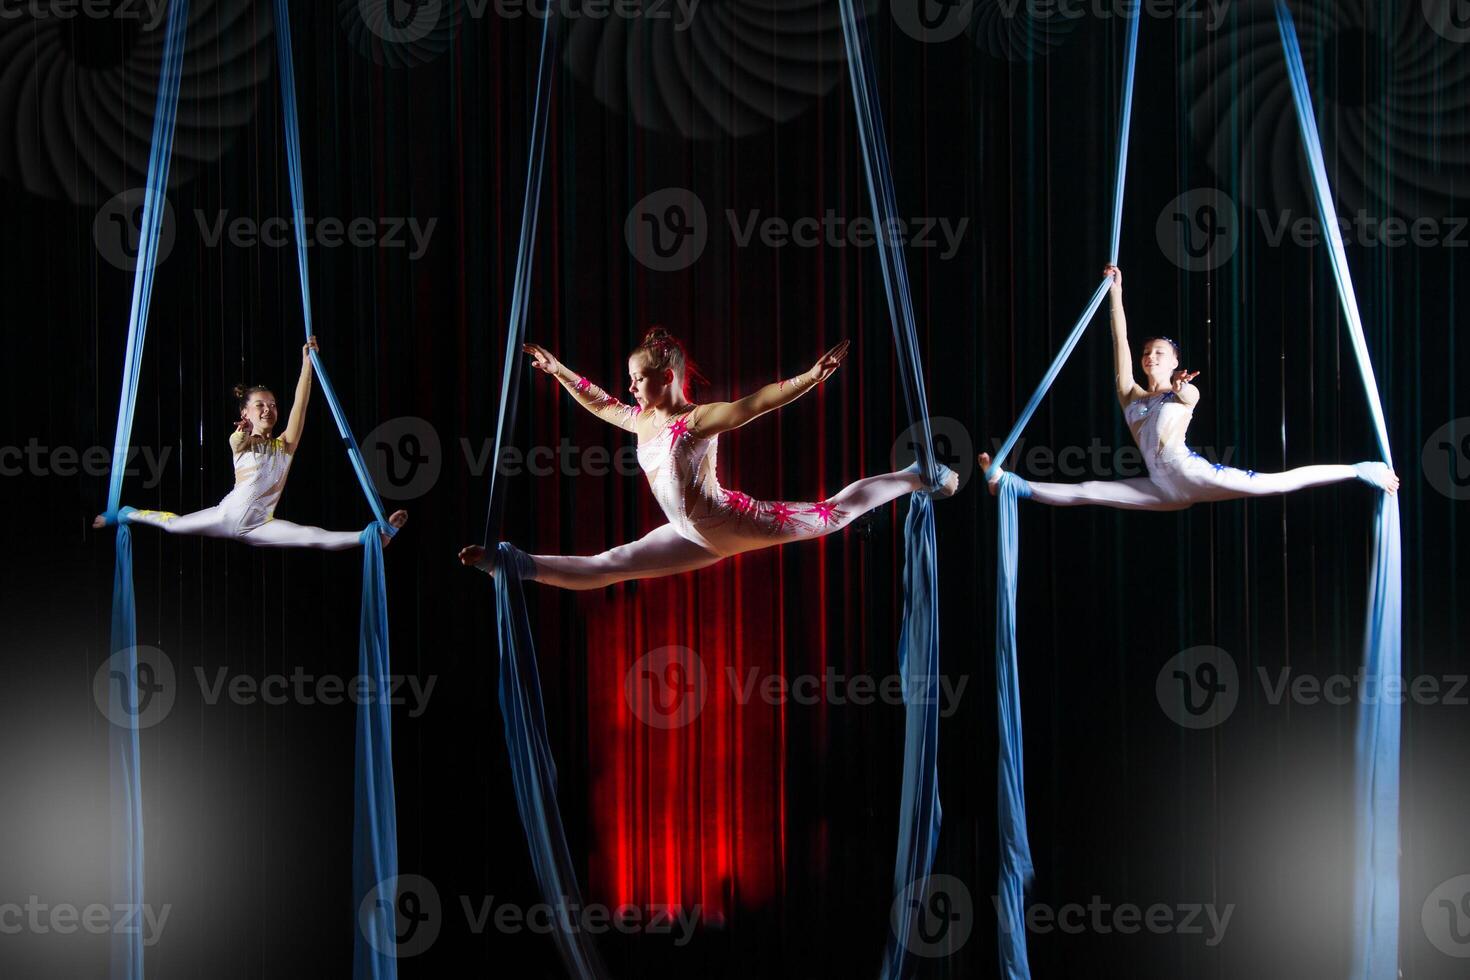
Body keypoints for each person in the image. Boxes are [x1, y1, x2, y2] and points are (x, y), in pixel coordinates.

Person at [458, 327, 957, 590]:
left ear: (667, 377)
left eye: (637, 377)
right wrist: (559, 370)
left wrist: (808, 378)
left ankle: (916, 475)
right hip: (688, 533)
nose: (630, 387)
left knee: (832, 514)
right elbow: (599, 402)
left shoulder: (695, 421)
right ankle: (512, 564)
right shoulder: (642, 418)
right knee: (609, 565)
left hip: (727, 521)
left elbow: (752, 405)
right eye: (630, 379)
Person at [979, 264, 1399, 507]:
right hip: (1162, 488)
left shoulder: (1183, 391)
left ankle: (1360, 470)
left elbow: (1190, 397)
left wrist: (1180, 388)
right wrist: (1116, 293)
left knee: (1279, 481)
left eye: (1160, 353)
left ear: (1177, 362)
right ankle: (1013, 485)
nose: (1151, 357)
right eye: (1149, 353)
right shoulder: (1131, 392)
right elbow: (1118, 339)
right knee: (1088, 491)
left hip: (1192, 473)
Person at [95, 336, 408, 548]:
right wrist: (243, 431)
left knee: (312, 536)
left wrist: (307, 364)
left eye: (272, 404)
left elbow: (301, 403)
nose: (269, 409)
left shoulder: (285, 444)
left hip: (260, 524)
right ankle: (124, 512)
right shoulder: (241, 441)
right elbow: (237, 441)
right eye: (261, 405)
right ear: (245, 412)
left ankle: (373, 537)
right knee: (173, 525)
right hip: (225, 516)